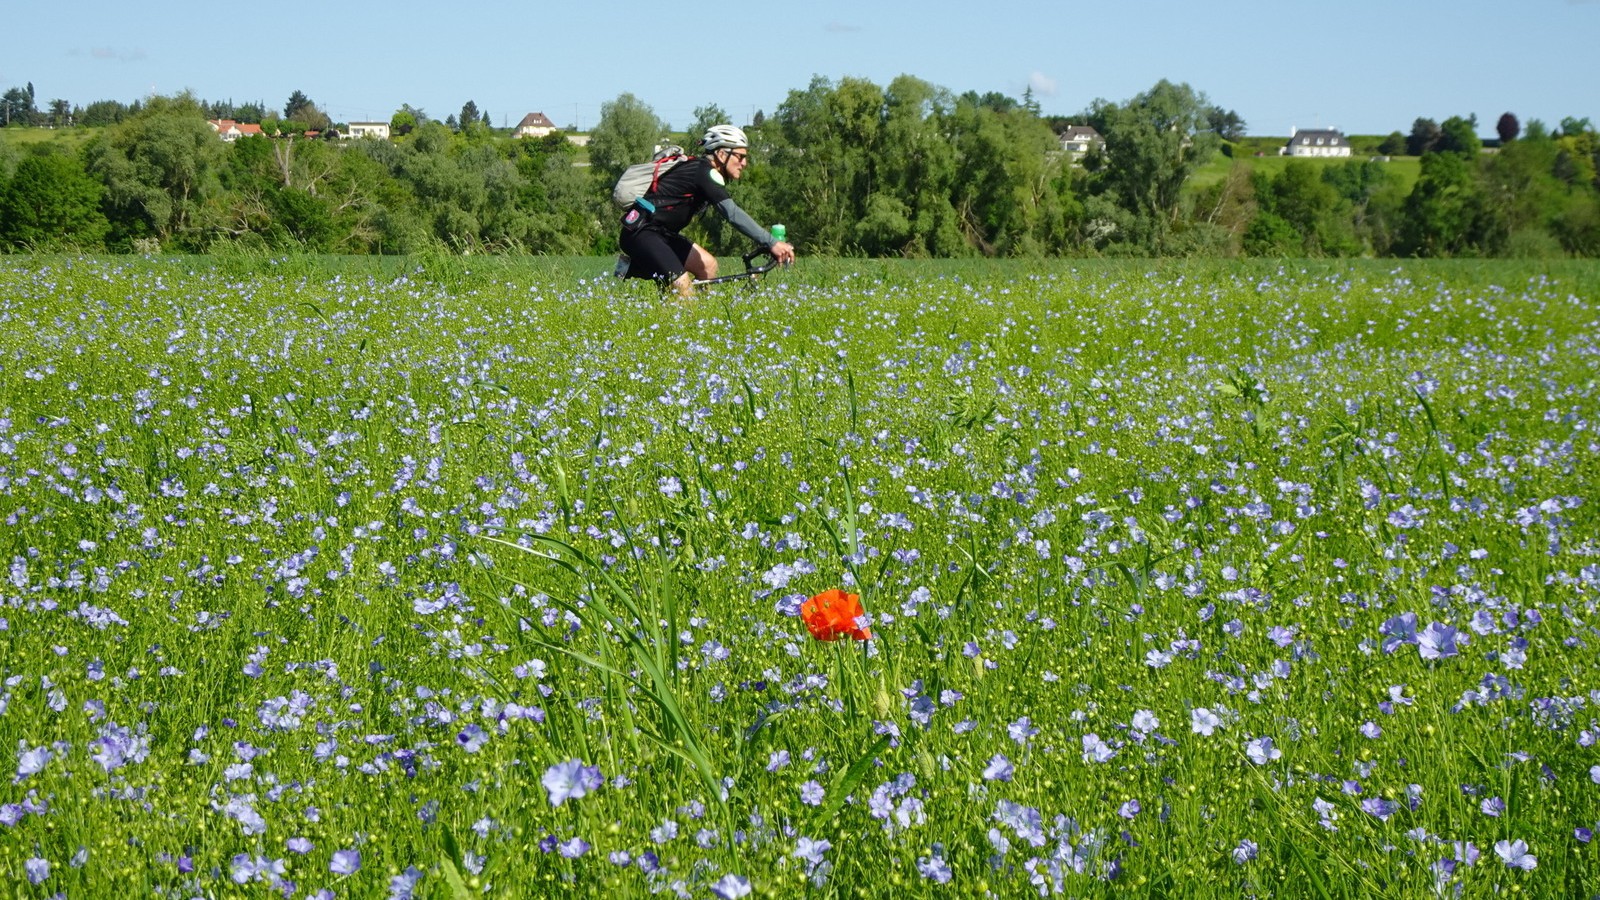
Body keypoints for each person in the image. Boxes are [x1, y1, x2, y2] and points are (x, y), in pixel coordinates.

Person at [618, 124, 795, 299]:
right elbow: (731, 213)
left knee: (708, 266)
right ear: (722, 154)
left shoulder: (701, 169)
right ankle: (684, 322)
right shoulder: (704, 171)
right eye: (740, 157)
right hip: (642, 233)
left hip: (662, 234)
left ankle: (701, 315)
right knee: (683, 288)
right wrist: (771, 242)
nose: (744, 163)